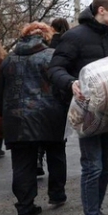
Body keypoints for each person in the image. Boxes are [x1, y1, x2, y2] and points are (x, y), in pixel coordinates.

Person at [48, 0, 108, 215]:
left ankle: (98, 210)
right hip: (87, 113)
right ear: (101, 11)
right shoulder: (75, 36)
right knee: (93, 166)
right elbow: (55, 68)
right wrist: (71, 83)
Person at [0, 22, 68, 215]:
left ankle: (24, 206)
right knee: (56, 154)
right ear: (45, 36)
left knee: (22, 163)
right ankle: (57, 194)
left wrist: (5, 115)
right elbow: (61, 87)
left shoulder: (8, 60)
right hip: (50, 115)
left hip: (17, 118)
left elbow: (0, 91)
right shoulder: (51, 56)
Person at [37, 17, 70, 178]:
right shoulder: (69, 42)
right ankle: (57, 191)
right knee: (57, 145)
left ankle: (38, 158)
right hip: (59, 95)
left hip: (41, 94)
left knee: (42, 136)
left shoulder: (46, 44)